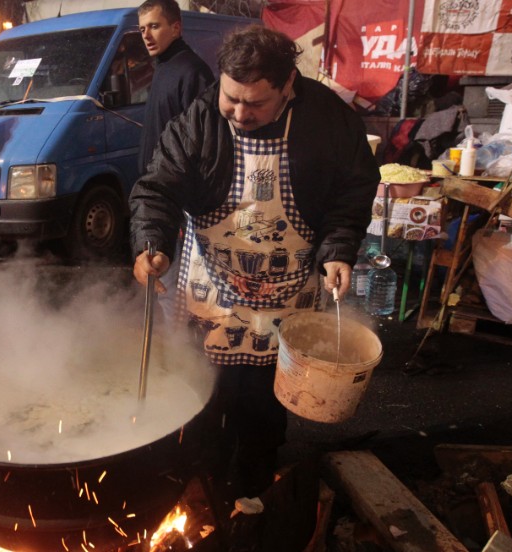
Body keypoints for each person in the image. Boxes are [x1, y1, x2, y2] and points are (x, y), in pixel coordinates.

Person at [129, 26, 379, 511]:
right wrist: (151, 242)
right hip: (211, 296)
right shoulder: (201, 118)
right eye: (231, 99)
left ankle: (256, 503)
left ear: (288, 85)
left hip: (286, 300)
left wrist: (339, 249)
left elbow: (352, 191)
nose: (240, 115)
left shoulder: (329, 121)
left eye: (255, 104)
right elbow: (156, 189)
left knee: (264, 413)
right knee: (200, 405)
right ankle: (199, 504)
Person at [137, 0, 214, 174]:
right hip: (157, 186)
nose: (146, 35)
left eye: (154, 26)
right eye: (142, 29)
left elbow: (202, 144)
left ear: (176, 28)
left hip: (175, 191)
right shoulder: (163, 66)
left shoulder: (192, 71)